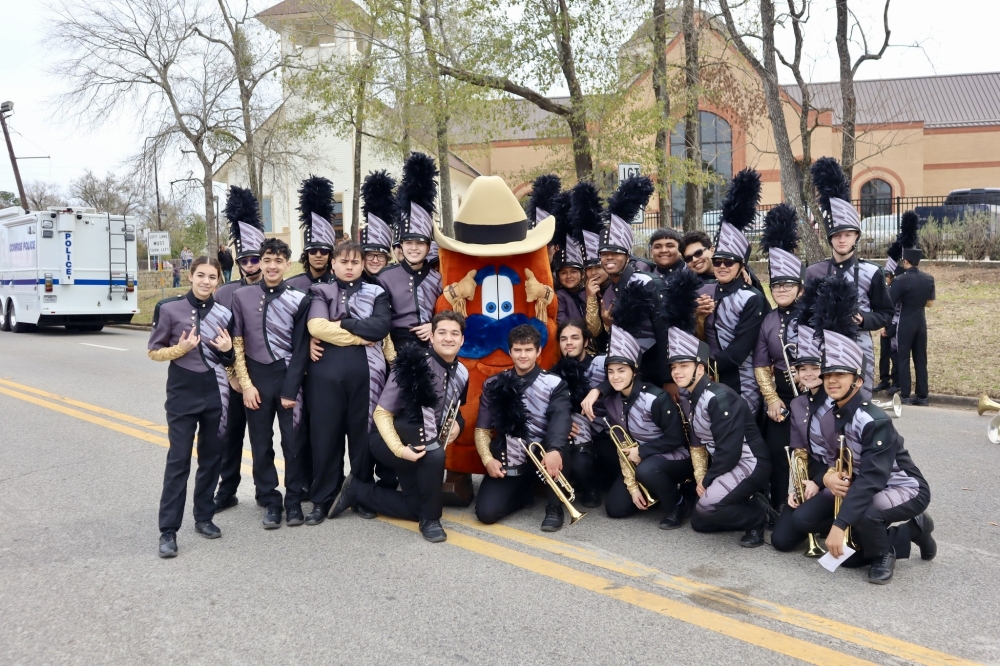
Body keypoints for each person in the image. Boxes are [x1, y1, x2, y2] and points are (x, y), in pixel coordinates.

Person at [774, 279, 936, 583]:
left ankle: (891, 546)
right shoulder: (830, 414)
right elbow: (828, 460)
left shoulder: (873, 419)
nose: (832, 381)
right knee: (806, 518)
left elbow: (874, 478)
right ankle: (885, 534)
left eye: (841, 375)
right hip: (860, 485)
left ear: (858, 382)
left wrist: (840, 525)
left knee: (862, 519)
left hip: (900, 485)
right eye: (829, 375)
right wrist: (824, 478)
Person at [327, 311, 470, 542]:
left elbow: (456, 411)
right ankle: (431, 520)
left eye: (455, 334)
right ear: (431, 337)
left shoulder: (463, 372)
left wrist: (458, 426)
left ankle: (359, 491)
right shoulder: (412, 365)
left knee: (416, 507)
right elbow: (382, 414)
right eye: (441, 332)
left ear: (462, 340)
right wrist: (400, 450)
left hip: (422, 443)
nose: (448, 338)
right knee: (433, 454)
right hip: (389, 441)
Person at [148, 256, 234, 558]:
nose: (206, 281)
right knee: (179, 460)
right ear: (191, 275)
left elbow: (230, 359)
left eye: (212, 277)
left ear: (217, 281)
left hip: (215, 392)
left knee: (212, 458)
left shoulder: (224, 313)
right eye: (201, 275)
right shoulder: (170, 309)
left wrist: (228, 352)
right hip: (182, 394)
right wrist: (179, 349)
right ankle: (168, 530)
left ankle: (204, 517)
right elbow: (153, 352)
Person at [305, 240, 392, 524]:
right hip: (325, 375)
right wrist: (359, 334)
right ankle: (322, 499)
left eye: (356, 262)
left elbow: (380, 327)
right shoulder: (321, 291)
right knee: (325, 437)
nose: (350, 267)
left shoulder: (376, 292)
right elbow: (316, 326)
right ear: (333, 264)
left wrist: (341, 325)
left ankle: (362, 494)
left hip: (367, 373)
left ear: (363, 264)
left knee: (362, 435)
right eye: (344, 262)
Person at [231, 237, 311, 529]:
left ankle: (292, 501)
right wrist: (246, 383)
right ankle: (269, 499)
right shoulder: (242, 297)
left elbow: (302, 347)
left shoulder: (300, 299)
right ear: (260, 263)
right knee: (261, 443)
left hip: (288, 376)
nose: (272, 265)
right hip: (257, 378)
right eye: (267, 260)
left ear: (287, 264)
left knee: (293, 444)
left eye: (279, 260)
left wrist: (291, 389)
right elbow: (237, 342)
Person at [669, 325, 774, 547]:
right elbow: (697, 443)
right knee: (700, 522)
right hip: (728, 464)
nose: (677, 371)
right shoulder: (691, 398)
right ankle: (749, 501)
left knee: (707, 507)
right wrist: (700, 477)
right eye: (674, 367)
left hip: (750, 462)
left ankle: (757, 518)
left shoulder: (719, 396)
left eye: (684, 366)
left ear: (700, 368)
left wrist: (708, 479)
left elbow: (730, 450)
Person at [807, 157, 894, 394]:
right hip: (821, 349)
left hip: (860, 346)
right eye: (837, 235)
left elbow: (886, 313)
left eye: (847, 234)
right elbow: (803, 314)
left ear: (856, 237)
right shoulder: (814, 272)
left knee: (859, 404)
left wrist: (864, 319)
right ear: (830, 238)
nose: (842, 239)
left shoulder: (872, 271)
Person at [474, 324, 572, 531]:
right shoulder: (494, 384)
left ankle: (555, 507)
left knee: (563, 447)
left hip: (544, 454)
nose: (523, 355)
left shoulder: (555, 383)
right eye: (517, 350)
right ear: (510, 351)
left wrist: (554, 450)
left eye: (528, 350)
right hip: (510, 456)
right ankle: (523, 493)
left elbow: (560, 419)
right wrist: (487, 459)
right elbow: (482, 429)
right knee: (485, 513)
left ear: (538, 352)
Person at [602, 325, 693, 529]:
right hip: (641, 461)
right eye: (611, 372)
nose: (616, 377)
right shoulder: (611, 402)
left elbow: (676, 438)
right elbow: (622, 447)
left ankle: (678, 505)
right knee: (616, 509)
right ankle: (659, 490)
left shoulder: (655, 397)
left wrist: (642, 451)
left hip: (675, 457)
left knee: (647, 470)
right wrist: (632, 487)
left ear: (634, 372)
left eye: (621, 370)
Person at [212, 186, 266, 512]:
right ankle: (227, 489)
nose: (250, 264)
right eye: (244, 259)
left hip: (264, 373)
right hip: (232, 376)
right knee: (230, 435)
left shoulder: (275, 290)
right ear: (239, 261)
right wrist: (232, 373)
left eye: (255, 258)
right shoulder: (224, 294)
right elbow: (219, 337)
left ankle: (263, 490)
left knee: (262, 439)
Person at [698, 169, 768, 415]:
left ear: (741, 266)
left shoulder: (753, 298)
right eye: (717, 261)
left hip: (741, 381)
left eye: (729, 262)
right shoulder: (704, 289)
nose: (722, 266)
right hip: (704, 379)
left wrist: (699, 367)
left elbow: (739, 350)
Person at [598, 176, 672, 389]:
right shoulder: (610, 289)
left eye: (615, 252)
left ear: (628, 256)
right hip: (628, 374)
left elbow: (664, 332)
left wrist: (668, 379)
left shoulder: (649, 283)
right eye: (604, 254)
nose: (609, 257)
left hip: (655, 373)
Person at [753, 203, 803, 511]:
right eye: (776, 285)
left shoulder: (813, 316)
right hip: (782, 396)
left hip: (814, 397)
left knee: (810, 453)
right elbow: (760, 364)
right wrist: (772, 400)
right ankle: (777, 507)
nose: (781, 289)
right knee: (775, 452)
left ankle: (808, 506)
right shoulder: (768, 320)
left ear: (800, 287)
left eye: (787, 284)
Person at [376, 153, 443, 350]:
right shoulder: (384, 277)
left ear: (428, 247)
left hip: (436, 345)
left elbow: (450, 313)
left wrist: (435, 326)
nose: (414, 248)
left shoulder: (438, 278)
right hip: (400, 349)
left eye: (420, 243)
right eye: (409, 243)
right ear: (401, 246)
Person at [549, 320, 611, 507]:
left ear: (585, 342)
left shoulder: (601, 363)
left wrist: (598, 389)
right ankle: (588, 486)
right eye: (563, 339)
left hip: (605, 433)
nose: (569, 342)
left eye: (575, 338)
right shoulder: (555, 374)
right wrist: (563, 423)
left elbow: (627, 376)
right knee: (579, 461)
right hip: (578, 434)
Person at [569, 180, 612, 351]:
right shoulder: (582, 293)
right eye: (589, 269)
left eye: (598, 267)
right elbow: (593, 331)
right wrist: (591, 298)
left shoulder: (618, 287)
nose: (593, 272)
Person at [890, 245, 935, 406]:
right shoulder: (929, 278)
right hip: (921, 321)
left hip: (905, 321)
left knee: (903, 358)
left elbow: (891, 302)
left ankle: (906, 395)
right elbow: (930, 303)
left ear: (905, 261)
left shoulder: (900, 280)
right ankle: (923, 396)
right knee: (921, 359)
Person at [288, 175, 337, 292]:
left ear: (330, 255)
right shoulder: (291, 285)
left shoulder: (340, 285)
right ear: (306, 254)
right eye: (313, 251)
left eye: (324, 251)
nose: (318, 255)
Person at [360, 170, 397, 285]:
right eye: (370, 255)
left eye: (380, 256)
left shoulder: (395, 283)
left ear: (387, 258)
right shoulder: (351, 283)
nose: (375, 260)